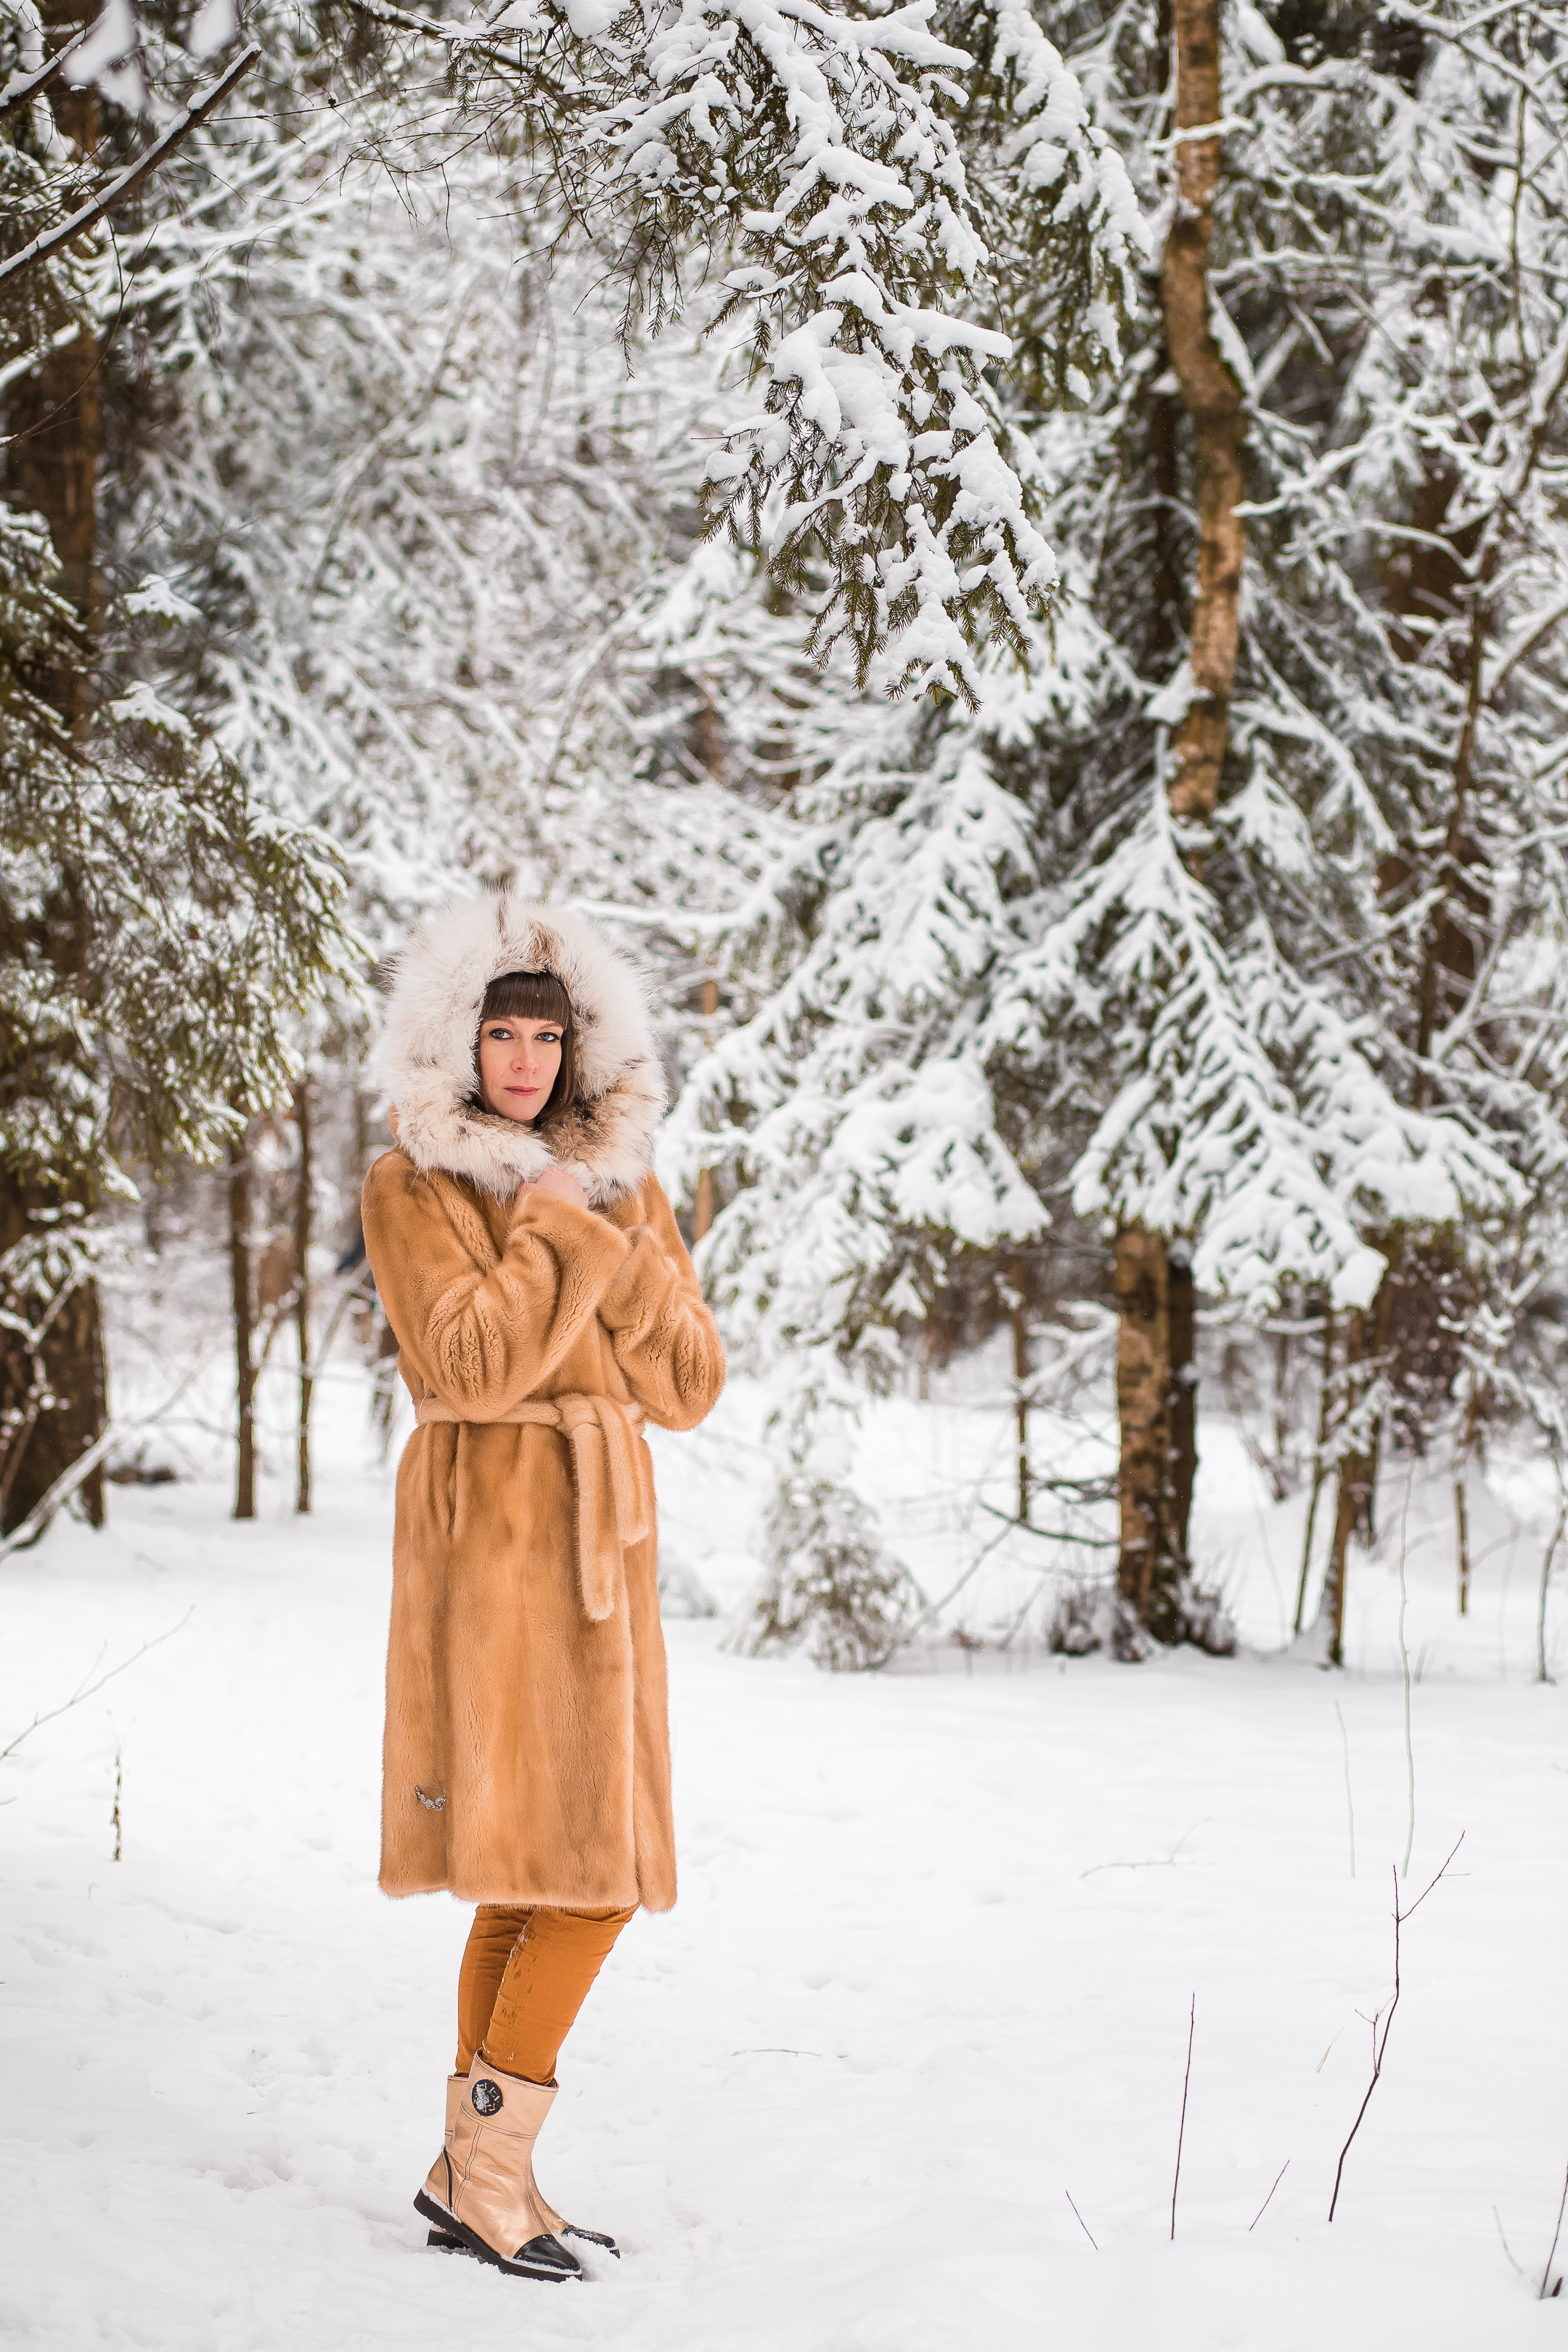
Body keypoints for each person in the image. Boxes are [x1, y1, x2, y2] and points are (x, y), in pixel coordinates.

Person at [362, 889, 725, 2284]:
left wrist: (605, 1239)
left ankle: (474, 2169)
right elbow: (465, 1367)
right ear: (461, 1042)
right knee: (580, 1882)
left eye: (547, 1038)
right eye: (501, 1034)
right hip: (499, 1549)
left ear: (580, 1050)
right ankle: (490, 2171)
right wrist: (556, 1237)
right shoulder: (416, 1184)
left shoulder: (623, 1184)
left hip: (603, 1553)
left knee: (540, 1882)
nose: (525, 1061)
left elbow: (685, 1383)